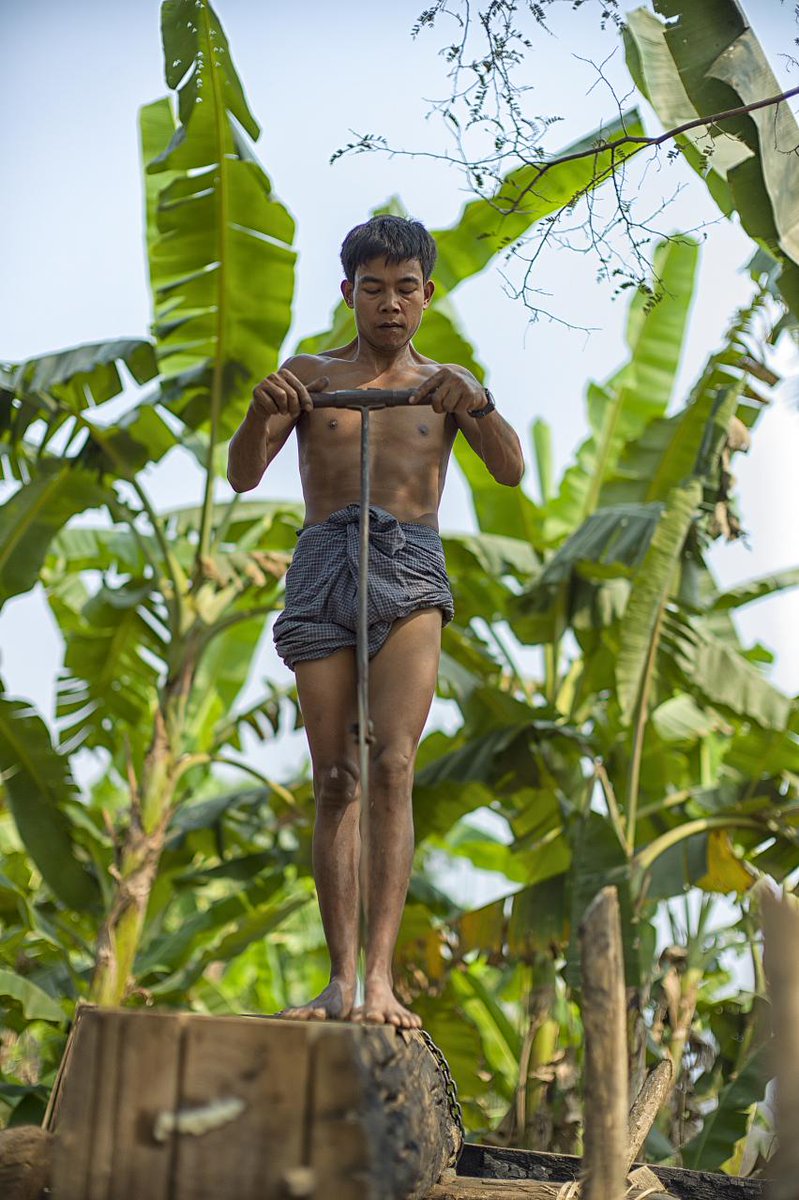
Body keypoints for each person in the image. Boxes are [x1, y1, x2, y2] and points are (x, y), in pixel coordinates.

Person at [227, 215, 524, 1029]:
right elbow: (244, 474)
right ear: (348, 292)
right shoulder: (308, 375)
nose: (389, 304)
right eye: (373, 287)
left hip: (409, 565)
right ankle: (338, 982)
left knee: (393, 765)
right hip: (323, 560)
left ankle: (383, 984)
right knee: (336, 779)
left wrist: (481, 405)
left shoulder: (445, 386)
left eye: (404, 289)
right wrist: (262, 412)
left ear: (427, 294)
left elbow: (508, 470)